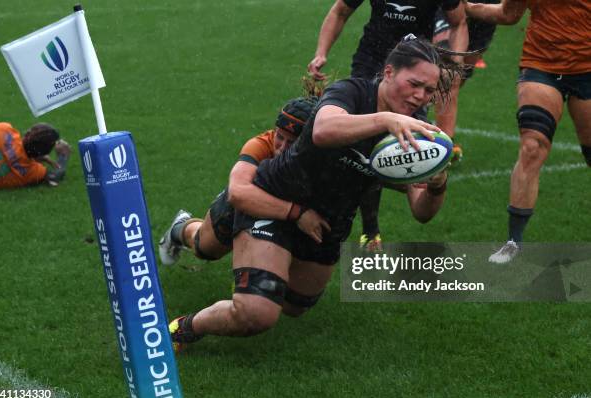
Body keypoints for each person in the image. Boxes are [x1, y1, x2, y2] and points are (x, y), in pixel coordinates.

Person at [168, 37, 461, 350]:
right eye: (414, 84)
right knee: (256, 313)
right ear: (389, 72)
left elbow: (422, 211)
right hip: (278, 199)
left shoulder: (415, 130)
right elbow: (323, 131)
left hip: (327, 225)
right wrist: (386, 119)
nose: (420, 96)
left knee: (295, 305)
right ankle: (182, 328)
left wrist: (436, 183)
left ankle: (258, 272)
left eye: (429, 91)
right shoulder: (351, 92)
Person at [307, 0, 469, 251]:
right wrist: (321, 51)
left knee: (389, 148)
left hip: (416, 66)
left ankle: (364, 227)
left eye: (430, 91)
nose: (426, 94)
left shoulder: (418, 91)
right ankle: (368, 227)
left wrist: (454, 68)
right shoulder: (354, 91)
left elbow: (458, 22)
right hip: (371, 61)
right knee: (357, 135)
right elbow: (340, 11)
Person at [464, 1, 591, 263]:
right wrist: (464, 6)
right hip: (541, 66)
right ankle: (514, 242)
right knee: (532, 147)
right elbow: (508, 14)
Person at [159, 96, 323, 265]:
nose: (281, 147)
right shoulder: (260, 144)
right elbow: (237, 193)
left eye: (291, 142)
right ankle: (180, 227)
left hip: (293, 208)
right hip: (252, 201)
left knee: (301, 283)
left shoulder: (332, 156)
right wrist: (297, 213)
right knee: (205, 249)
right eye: (279, 137)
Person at [432, 0, 500, 161]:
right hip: (449, 6)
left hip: (485, 7)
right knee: (449, 75)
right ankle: (444, 147)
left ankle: (419, 112)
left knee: (460, 75)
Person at [0, 122, 70, 190]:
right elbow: (54, 176)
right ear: (44, 153)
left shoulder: (4, 130)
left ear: (27, 133)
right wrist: (63, 156)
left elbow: (5, 150)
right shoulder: (30, 172)